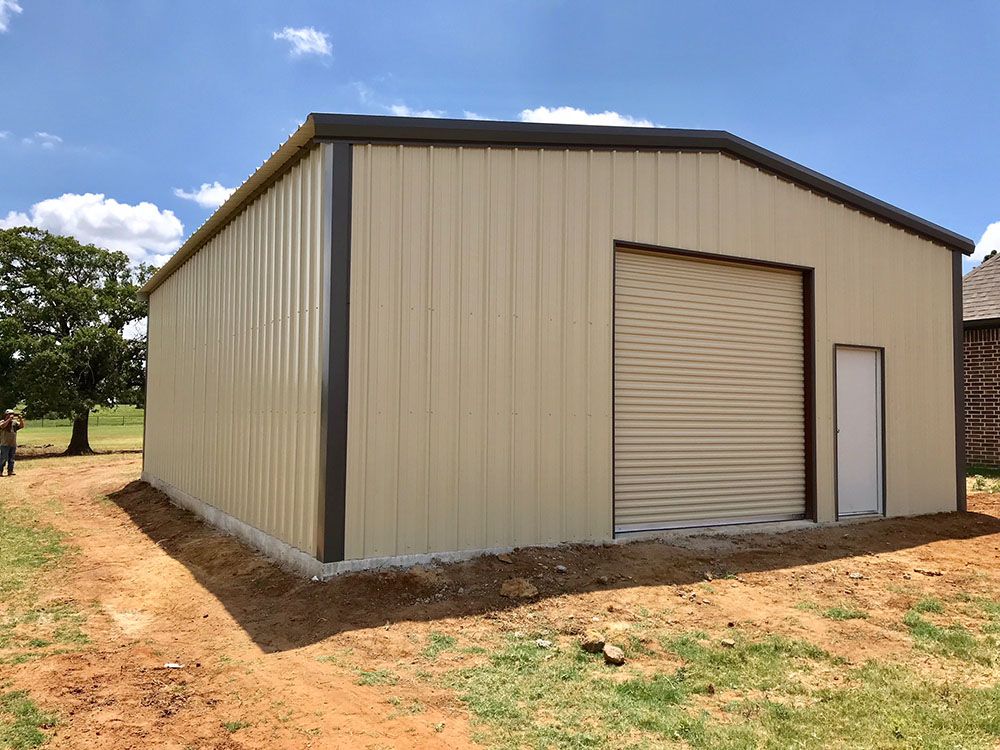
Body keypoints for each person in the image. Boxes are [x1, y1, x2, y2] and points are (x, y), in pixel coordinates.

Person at [0, 409, 24, 477]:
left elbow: (21, 426)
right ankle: (0, 471)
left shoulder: (14, 423)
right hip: (4, 443)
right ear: (6, 415)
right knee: (3, 458)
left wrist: (20, 419)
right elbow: (2, 426)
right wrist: (8, 420)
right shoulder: (2, 421)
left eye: (12, 414)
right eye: (10, 414)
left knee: (11, 459)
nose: (11, 416)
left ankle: (10, 471)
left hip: (12, 443)